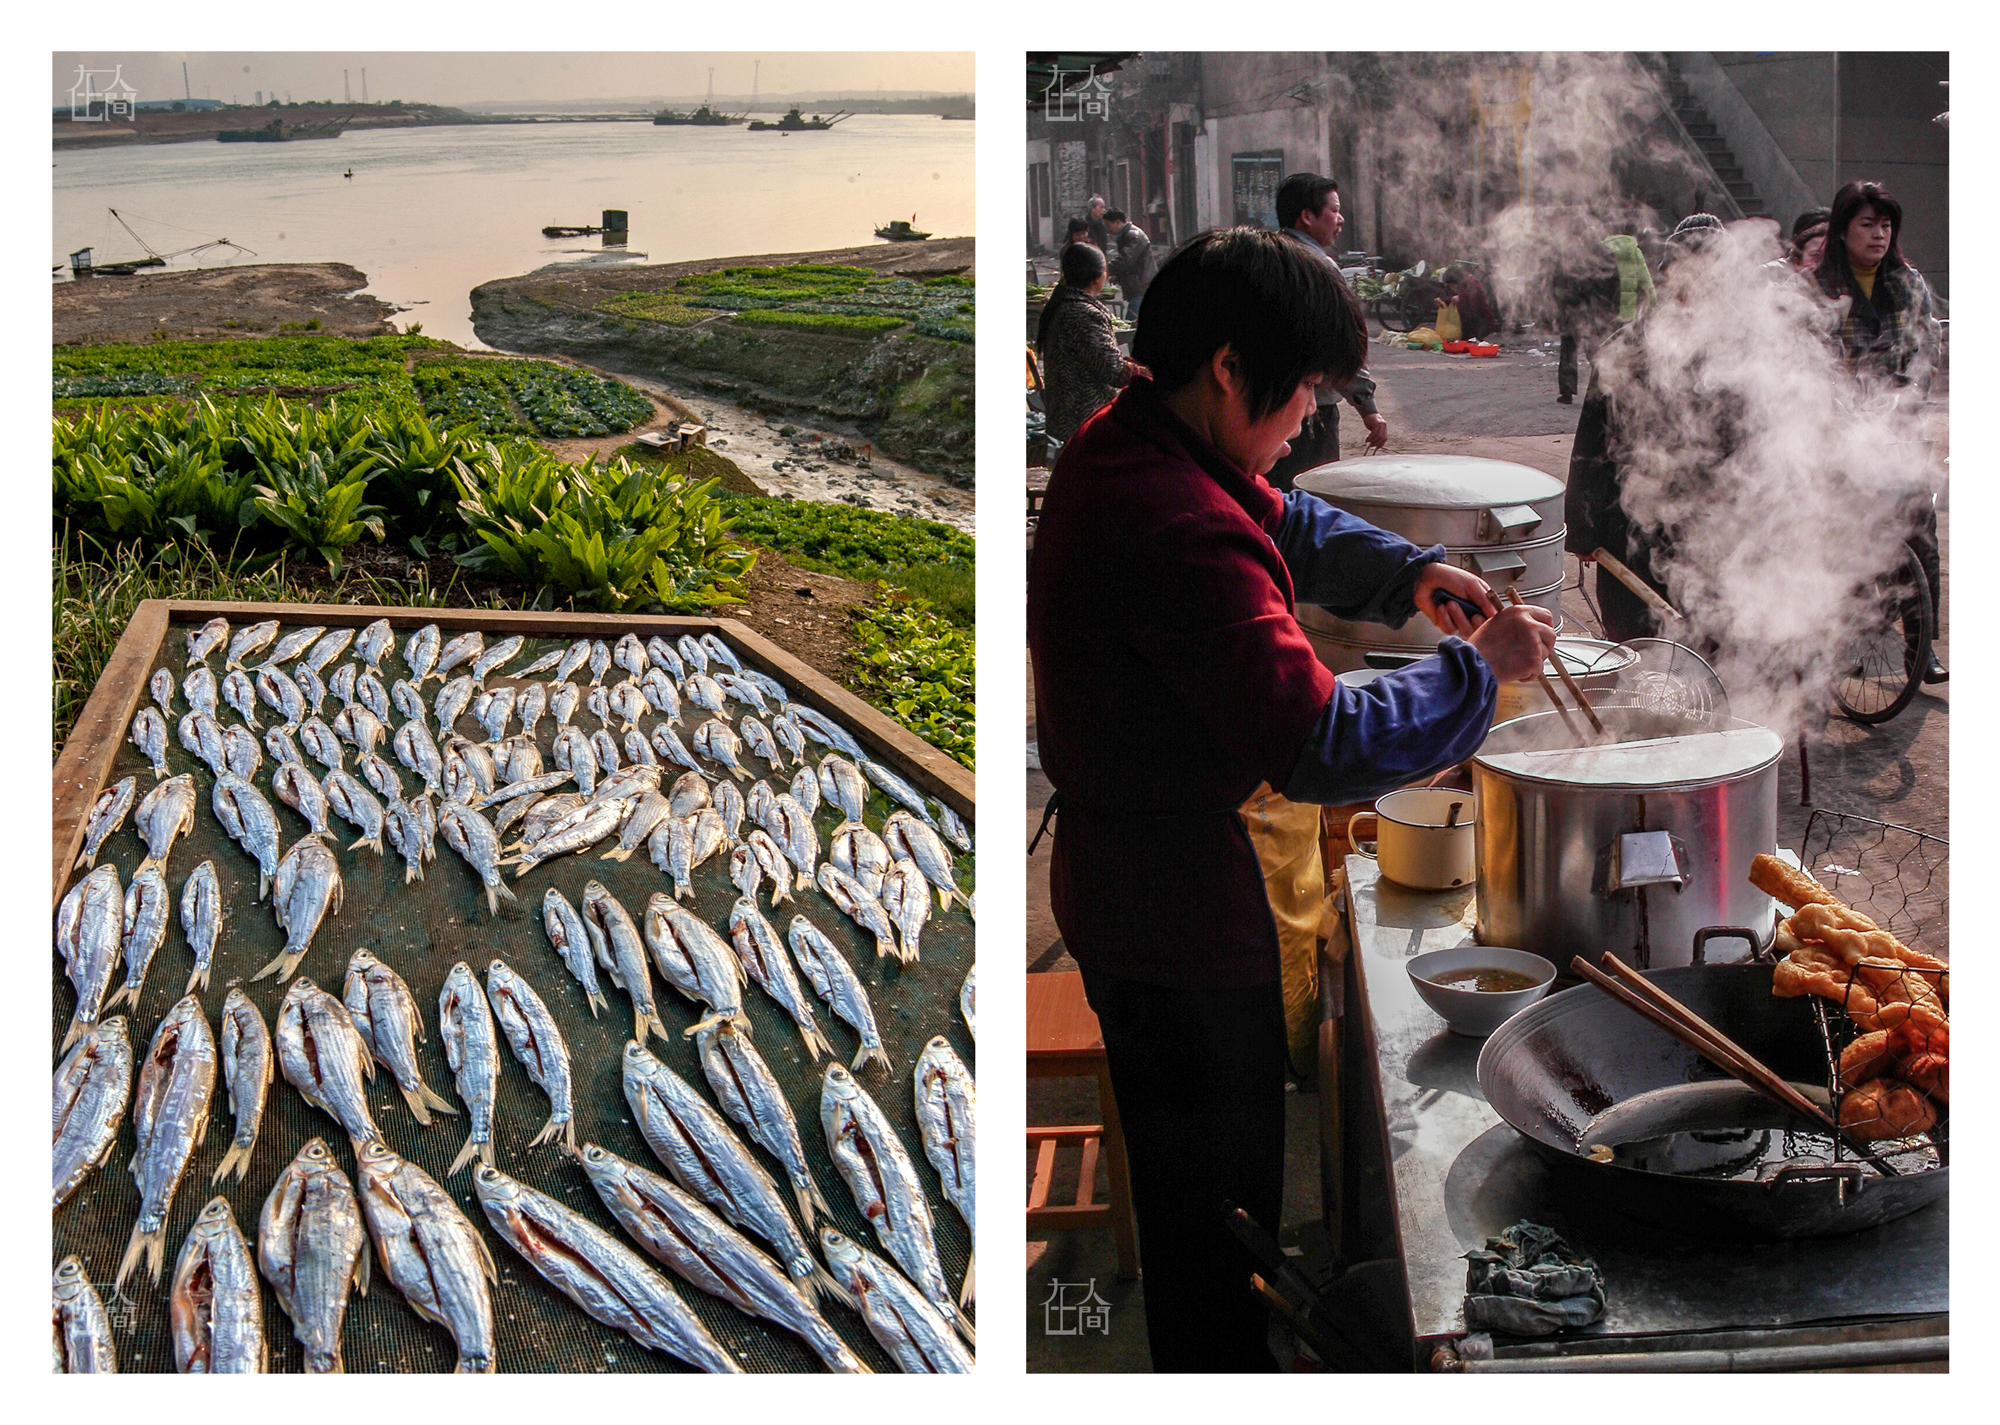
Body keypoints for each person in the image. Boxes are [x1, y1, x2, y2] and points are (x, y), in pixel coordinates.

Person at [1026, 227, 1557, 1373]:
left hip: (1134, 884)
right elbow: (1317, 738)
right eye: (1300, 388)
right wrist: (1478, 668)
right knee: (1217, 1230)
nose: (1300, 414)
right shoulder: (1170, 520)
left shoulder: (1139, 443)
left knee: (1207, 1208)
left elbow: (1281, 514)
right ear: (1227, 368)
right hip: (1170, 918)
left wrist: (1402, 573)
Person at [1813, 179, 1945, 681]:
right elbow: (1807, 359)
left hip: (1898, 429)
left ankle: (1921, 648)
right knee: (1843, 539)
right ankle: (1840, 639)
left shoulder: (1907, 283)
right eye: (1867, 224)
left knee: (1920, 535)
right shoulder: (1820, 286)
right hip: (1837, 434)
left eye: (1886, 225)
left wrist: (1905, 397)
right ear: (1843, 231)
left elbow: (1927, 351)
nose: (1879, 235)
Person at [1265, 173, 1388, 488]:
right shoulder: (1320, 267)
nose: (1340, 219)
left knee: (1273, 498)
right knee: (1313, 498)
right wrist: (1368, 409)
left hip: (1264, 409)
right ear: (1307, 216)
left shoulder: (1263, 258)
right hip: (1311, 416)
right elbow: (1346, 346)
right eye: (1333, 210)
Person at [1035, 239, 1136, 446]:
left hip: (1065, 417)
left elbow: (1096, 358)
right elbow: (1114, 372)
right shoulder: (1084, 314)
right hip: (1084, 419)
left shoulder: (1063, 305)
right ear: (1098, 276)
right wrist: (1149, 373)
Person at [1103, 208, 1156, 319]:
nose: (1109, 230)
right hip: (1137, 285)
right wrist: (1118, 276)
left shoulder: (1134, 235)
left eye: (1109, 225)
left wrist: (1105, 270)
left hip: (1141, 285)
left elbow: (1126, 260)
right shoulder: (1127, 235)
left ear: (1118, 222)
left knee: (1132, 322)